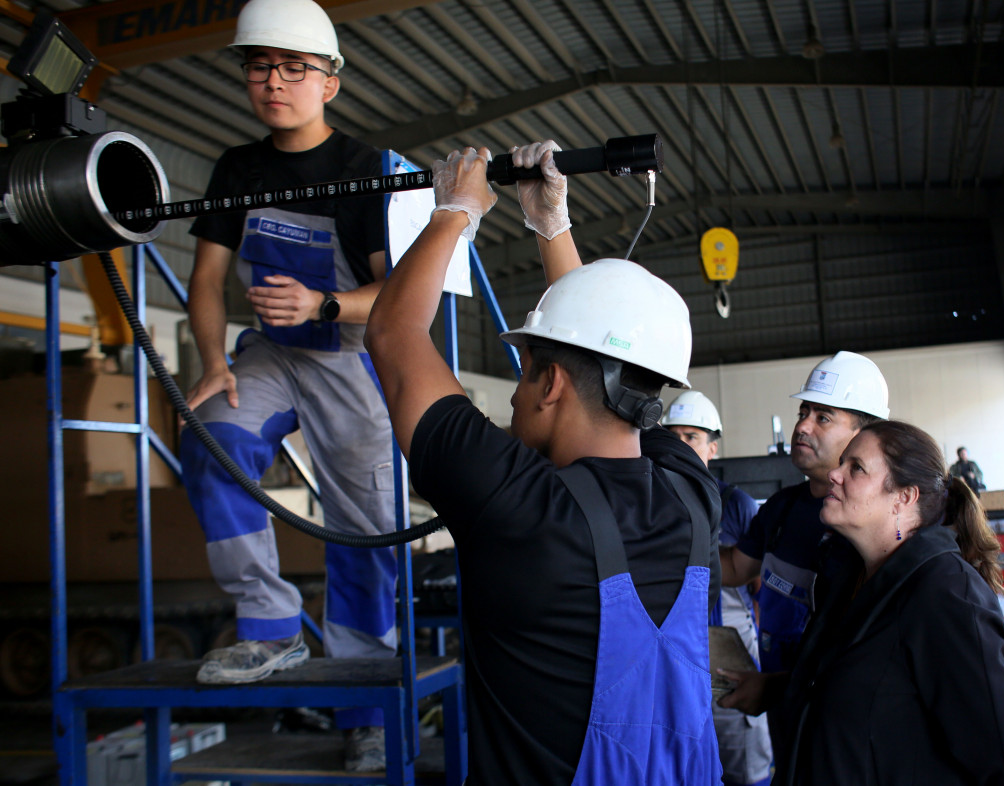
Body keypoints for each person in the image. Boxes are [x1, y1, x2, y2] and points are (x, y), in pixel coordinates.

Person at [364, 142, 723, 784]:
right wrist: (550, 224)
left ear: (551, 383)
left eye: (524, 372)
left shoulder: (517, 505)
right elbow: (597, 352)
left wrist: (455, 210)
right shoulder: (694, 492)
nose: (513, 392)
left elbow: (392, 334)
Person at [177, 0, 395, 770]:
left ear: (330, 82)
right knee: (212, 439)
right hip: (269, 353)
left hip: (348, 355)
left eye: (293, 67)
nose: (273, 81)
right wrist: (211, 365)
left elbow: (396, 299)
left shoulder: (363, 169)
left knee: (366, 532)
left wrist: (324, 303)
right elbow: (205, 280)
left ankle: (369, 712)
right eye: (258, 66)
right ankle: (268, 629)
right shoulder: (239, 168)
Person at [773, 420, 1004, 784]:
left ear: (904, 497)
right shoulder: (852, 577)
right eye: (842, 462)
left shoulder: (945, 595)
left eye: (856, 468)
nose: (835, 474)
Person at [716, 351, 889, 753]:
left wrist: (778, 688)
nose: (803, 426)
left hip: (840, 729)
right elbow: (736, 568)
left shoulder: (872, 530)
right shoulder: (782, 509)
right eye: (803, 412)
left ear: (864, 435)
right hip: (785, 713)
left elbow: (869, 657)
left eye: (823, 417)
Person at [661, 391, 772, 786]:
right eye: (672, 436)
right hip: (672, 648)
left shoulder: (737, 504)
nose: (680, 446)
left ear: (713, 447)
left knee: (743, 758)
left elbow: (757, 585)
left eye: (691, 437)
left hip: (730, 647)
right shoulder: (651, 501)